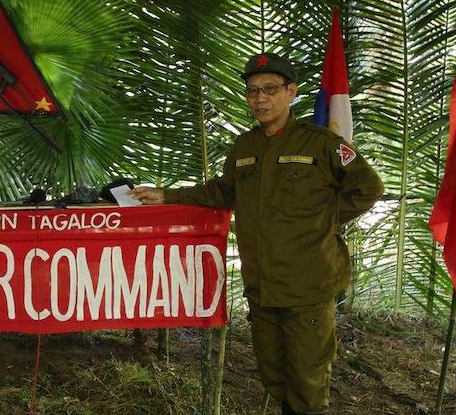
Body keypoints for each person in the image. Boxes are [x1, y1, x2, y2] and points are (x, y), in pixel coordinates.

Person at [130, 53, 384, 414]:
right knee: (274, 376)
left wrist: (321, 220)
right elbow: (223, 192)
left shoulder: (321, 143)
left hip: (307, 285)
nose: (260, 99)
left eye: (270, 89)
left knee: (308, 384)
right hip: (262, 286)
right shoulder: (244, 147)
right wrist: (167, 195)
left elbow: (369, 188)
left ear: (291, 92)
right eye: (252, 91)